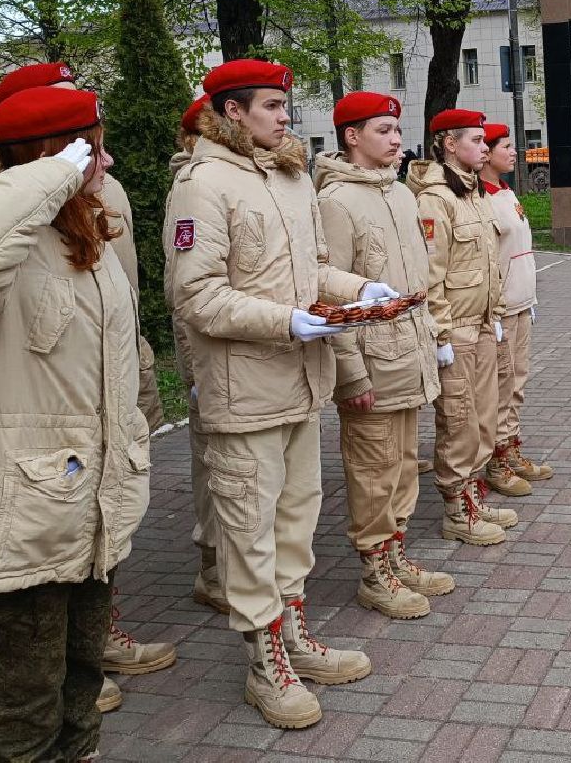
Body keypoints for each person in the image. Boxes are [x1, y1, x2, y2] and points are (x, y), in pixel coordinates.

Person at [0, 86, 150, 759]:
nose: (105, 161)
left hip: (91, 501)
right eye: (93, 147)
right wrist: (55, 171)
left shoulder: (81, 230)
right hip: (26, 511)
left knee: (81, 676)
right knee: (29, 694)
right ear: (55, 156)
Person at [168, 59, 399, 730]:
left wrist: (359, 291)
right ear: (231, 112)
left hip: (301, 383)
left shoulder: (289, 176)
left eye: (284, 105)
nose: (284, 117)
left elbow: (310, 267)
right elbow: (196, 295)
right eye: (269, 106)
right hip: (244, 389)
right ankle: (264, 663)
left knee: (295, 522)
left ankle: (294, 637)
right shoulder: (203, 184)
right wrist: (286, 320)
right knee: (250, 531)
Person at [0, 62, 174, 685]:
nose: (91, 143)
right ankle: (67, 655)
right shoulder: (0, 209)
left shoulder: (104, 186)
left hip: (123, 363)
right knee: (60, 516)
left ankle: (99, 631)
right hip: (54, 400)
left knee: (115, 501)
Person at [314, 92, 455, 619]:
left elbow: (417, 281)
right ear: (352, 137)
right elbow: (332, 294)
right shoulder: (335, 201)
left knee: (401, 465)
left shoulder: (399, 194)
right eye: (383, 131)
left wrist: (434, 339)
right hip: (371, 360)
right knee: (372, 469)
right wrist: (351, 375)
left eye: (397, 131)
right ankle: (374, 572)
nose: (397, 140)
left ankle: (397, 556)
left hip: (408, 354)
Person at [406, 109, 514, 545]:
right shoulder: (436, 198)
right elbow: (432, 273)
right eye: (475, 140)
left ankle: (473, 492)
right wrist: (441, 334)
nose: (484, 147)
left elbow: (489, 264)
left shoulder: (473, 193)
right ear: (449, 143)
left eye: (485, 140)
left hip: (484, 323)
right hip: (458, 329)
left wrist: (500, 313)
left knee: (484, 416)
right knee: (459, 418)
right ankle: (456, 507)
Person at [162, 95, 230, 616]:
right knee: (213, 463)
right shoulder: (192, 188)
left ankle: (227, 562)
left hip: (240, 360)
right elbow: (183, 291)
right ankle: (212, 567)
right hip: (211, 359)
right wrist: (193, 371)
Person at [480, 123, 552, 494]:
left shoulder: (506, 192)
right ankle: (496, 459)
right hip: (502, 309)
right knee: (502, 386)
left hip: (522, 303)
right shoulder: (482, 200)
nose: (514, 152)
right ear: (486, 154)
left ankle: (511, 449)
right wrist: (493, 310)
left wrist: (530, 299)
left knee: (517, 384)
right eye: (506, 146)